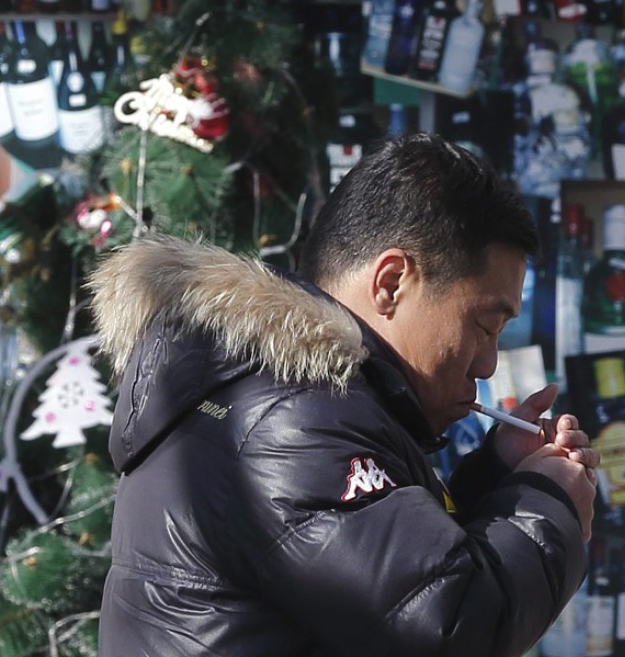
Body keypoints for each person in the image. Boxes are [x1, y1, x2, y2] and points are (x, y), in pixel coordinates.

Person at [91, 132, 599, 656]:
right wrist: (547, 502)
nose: (488, 362)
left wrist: (501, 479)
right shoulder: (290, 420)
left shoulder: (282, 398)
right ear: (392, 282)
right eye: (485, 325)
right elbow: (446, 626)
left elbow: (387, 584)